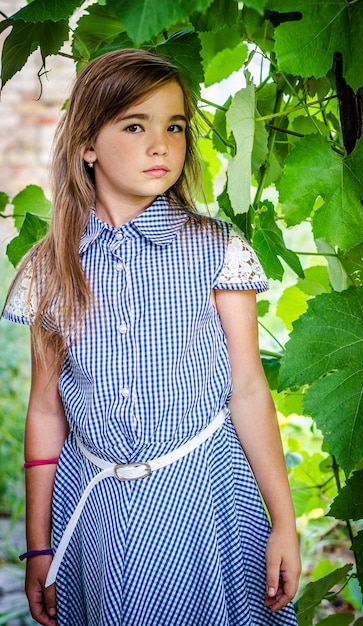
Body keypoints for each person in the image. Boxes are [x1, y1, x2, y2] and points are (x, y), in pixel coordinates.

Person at [2, 49, 301, 626]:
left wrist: (283, 520)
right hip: (98, 514)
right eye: (135, 126)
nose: (160, 143)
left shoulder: (216, 250)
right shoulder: (51, 267)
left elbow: (247, 389)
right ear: (87, 144)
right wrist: (39, 546)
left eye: (175, 127)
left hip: (209, 500)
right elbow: (45, 412)